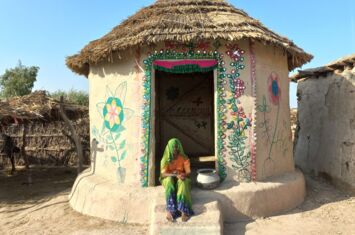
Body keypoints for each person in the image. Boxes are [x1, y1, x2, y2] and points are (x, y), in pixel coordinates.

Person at [160, 138, 194, 222]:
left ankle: (184, 210)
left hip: (181, 177)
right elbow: (163, 174)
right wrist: (175, 175)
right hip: (169, 177)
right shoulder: (165, 159)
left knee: (183, 182)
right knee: (169, 180)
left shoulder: (184, 158)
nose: (175, 149)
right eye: (173, 147)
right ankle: (171, 211)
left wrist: (183, 174)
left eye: (176, 147)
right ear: (169, 148)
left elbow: (188, 172)